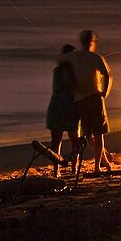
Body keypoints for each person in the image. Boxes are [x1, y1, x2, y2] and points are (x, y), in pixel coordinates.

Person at [59, 29, 112, 174]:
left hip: (81, 100)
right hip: (95, 97)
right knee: (98, 133)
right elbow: (107, 75)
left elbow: (60, 60)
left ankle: (101, 163)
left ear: (81, 41)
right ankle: (98, 165)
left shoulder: (74, 56)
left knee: (89, 135)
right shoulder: (95, 57)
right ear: (93, 42)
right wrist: (105, 92)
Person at [46, 44, 79, 176]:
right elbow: (75, 88)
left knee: (56, 141)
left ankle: (57, 170)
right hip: (68, 106)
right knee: (73, 140)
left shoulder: (57, 70)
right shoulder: (72, 71)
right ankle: (73, 169)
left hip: (56, 106)